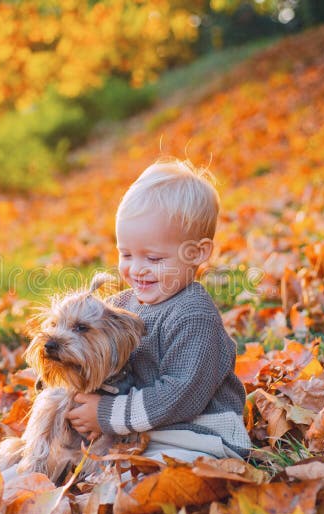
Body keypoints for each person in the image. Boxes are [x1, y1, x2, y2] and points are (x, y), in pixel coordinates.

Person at [66, 158, 253, 463]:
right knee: (87, 462)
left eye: (153, 258)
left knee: (134, 477)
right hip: (148, 430)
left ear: (198, 253)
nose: (137, 269)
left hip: (200, 436)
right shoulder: (126, 305)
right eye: (126, 254)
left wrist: (105, 413)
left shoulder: (194, 315)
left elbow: (180, 396)